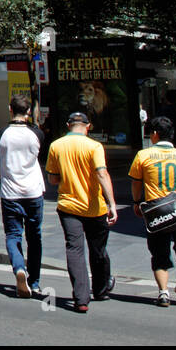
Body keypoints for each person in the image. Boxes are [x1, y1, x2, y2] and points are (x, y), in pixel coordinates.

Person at [46, 111, 119, 313]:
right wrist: (112, 203)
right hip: (94, 207)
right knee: (98, 250)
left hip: (68, 206)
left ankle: (81, 298)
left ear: (68, 125)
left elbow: (52, 179)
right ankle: (101, 289)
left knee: (75, 250)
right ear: (88, 126)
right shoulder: (94, 146)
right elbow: (102, 174)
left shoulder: (56, 146)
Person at [129, 115, 176, 307]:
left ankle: (163, 292)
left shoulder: (143, 156)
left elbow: (136, 183)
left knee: (159, 254)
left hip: (155, 212)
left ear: (154, 134)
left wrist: (137, 203)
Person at [0, 95, 45, 298]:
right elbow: (41, 160)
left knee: (13, 236)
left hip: (10, 194)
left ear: (10, 109)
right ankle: (35, 281)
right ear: (29, 111)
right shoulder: (37, 134)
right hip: (34, 192)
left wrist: (6, 177)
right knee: (35, 236)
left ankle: (19, 268)